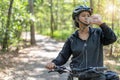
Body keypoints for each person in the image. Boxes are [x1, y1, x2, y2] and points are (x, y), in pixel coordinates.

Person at [45, 5, 117, 80]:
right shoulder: (72, 39)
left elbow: (112, 39)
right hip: (77, 75)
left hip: (97, 75)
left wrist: (101, 24)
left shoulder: (98, 33)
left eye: (88, 15)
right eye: (83, 15)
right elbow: (63, 56)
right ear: (77, 19)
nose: (86, 17)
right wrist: (54, 63)